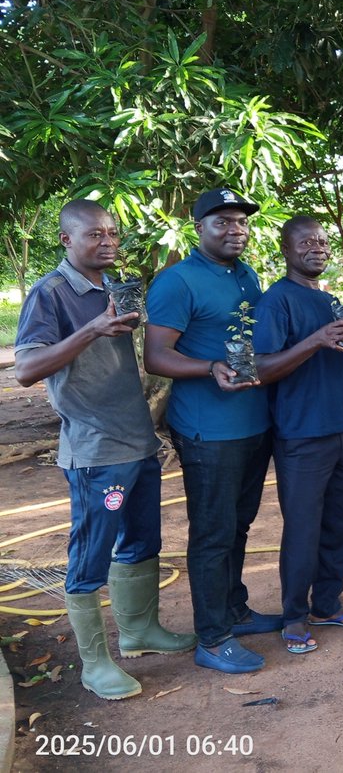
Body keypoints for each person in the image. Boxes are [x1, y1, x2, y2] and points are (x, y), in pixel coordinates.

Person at [13, 200, 195, 700]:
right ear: (66, 240)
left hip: (137, 440)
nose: (108, 241)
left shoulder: (113, 287)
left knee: (142, 541)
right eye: (95, 234)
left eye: (112, 232)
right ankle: (95, 664)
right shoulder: (51, 293)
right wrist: (91, 329)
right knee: (90, 555)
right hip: (95, 451)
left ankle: (139, 632)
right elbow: (26, 370)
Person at [144, 187, 279, 675]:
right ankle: (213, 637)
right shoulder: (177, 281)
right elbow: (156, 356)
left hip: (252, 422)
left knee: (239, 524)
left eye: (241, 222)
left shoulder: (246, 275)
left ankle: (234, 610)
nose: (235, 230)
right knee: (213, 532)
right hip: (208, 430)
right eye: (222, 221)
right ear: (199, 228)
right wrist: (209, 367)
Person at [253, 217, 343, 654]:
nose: (317, 248)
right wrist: (315, 339)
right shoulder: (276, 301)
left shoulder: (330, 302)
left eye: (323, 242)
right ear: (286, 250)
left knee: (342, 524)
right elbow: (262, 369)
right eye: (306, 242)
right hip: (301, 435)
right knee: (303, 529)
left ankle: (327, 604)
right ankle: (294, 616)